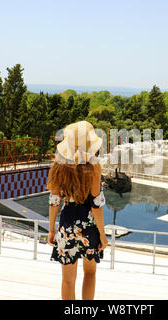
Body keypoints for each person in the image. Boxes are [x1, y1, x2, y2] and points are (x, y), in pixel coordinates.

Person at [47, 120, 108, 300]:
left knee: (67, 280)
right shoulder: (94, 166)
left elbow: (54, 201)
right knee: (90, 273)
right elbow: (96, 205)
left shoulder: (59, 165)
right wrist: (103, 236)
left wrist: (51, 229)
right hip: (88, 225)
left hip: (67, 224)